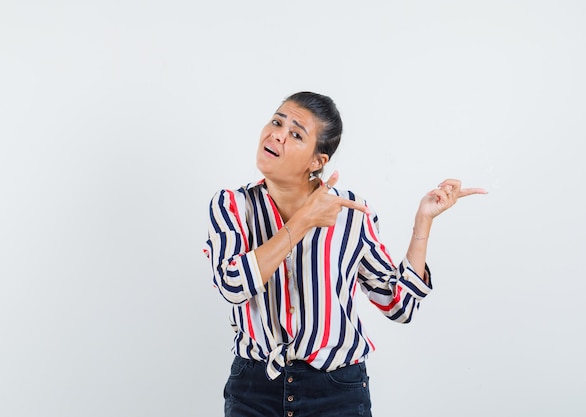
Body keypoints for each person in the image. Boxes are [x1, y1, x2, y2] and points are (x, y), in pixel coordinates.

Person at [204, 91, 487, 417]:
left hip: (336, 393)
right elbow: (233, 286)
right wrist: (304, 221)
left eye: (296, 133)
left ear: (317, 162)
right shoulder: (231, 206)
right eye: (276, 121)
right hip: (254, 391)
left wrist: (423, 219)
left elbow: (400, 306)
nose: (277, 134)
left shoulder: (350, 213)